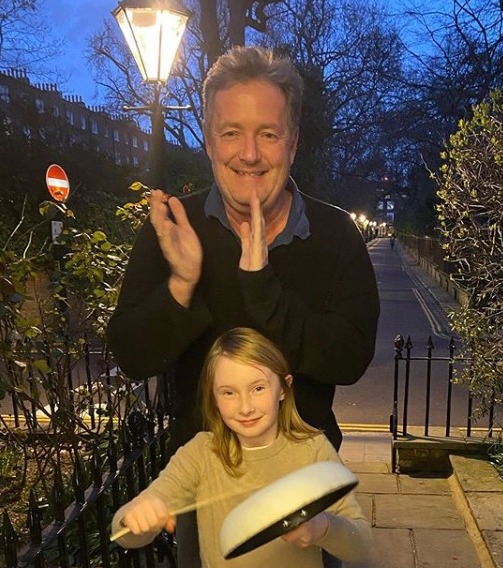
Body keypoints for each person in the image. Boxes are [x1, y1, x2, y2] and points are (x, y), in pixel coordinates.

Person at [107, 45, 380, 566]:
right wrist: (183, 284)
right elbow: (132, 354)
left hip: (307, 491)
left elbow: (348, 359)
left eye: (268, 134)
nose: (249, 153)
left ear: (293, 143)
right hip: (204, 485)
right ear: (209, 141)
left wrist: (261, 289)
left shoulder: (335, 235)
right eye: (232, 132)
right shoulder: (173, 230)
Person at [111, 328, 374, 567]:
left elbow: (360, 542)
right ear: (213, 398)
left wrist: (322, 527)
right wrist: (138, 520)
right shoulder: (200, 453)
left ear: (284, 388)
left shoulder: (312, 451)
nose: (245, 407)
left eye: (258, 388)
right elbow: (122, 532)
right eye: (229, 393)